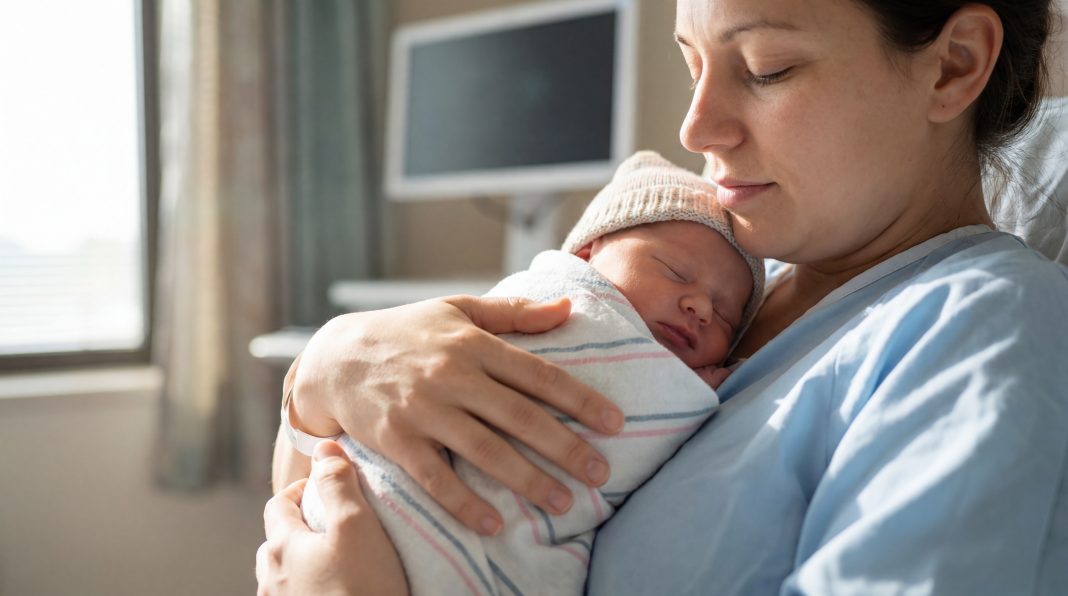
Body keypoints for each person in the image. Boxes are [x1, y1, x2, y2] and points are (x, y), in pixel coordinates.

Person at [258, 0, 1068, 594]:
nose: (697, 126)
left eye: (766, 69)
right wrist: (323, 376)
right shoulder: (724, 296)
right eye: (691, 62)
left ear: (955, 63)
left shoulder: (987, 331)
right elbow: (312, 508)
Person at [291, 150, 763, 595]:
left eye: (724, 315)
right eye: (676, 272)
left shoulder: (713, 386)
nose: (701, 307)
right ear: (586, 256)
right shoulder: (552, 301)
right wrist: (320, 368)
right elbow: (312, 448)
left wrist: (684, 397)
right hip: (361, 505)